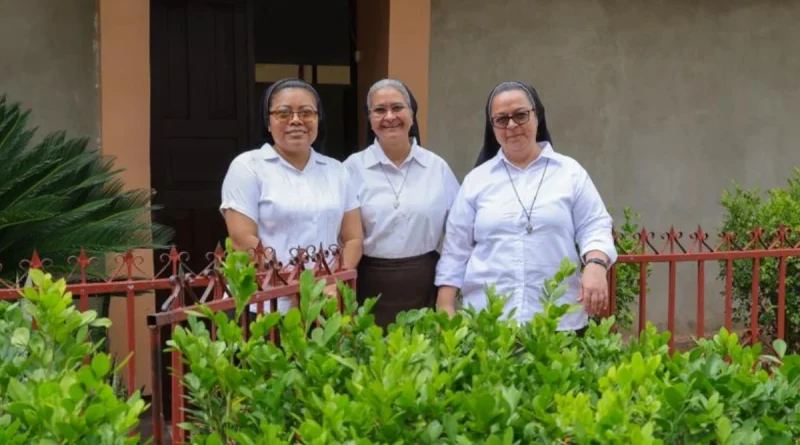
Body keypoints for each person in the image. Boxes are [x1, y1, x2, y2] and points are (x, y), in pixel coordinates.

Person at [435, 81, 617, 333]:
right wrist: (445, 303)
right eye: (501, 119)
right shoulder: (476, 181)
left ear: (537, 117)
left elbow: (595, 224)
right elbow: (455, 249)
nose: (511, 125)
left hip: (557, 320)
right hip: (489, 322)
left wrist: (596, 264)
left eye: (520, 115)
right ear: (493, 127)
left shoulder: (570, 173)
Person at [220, 78, 363, 313]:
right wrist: (296, 288)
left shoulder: (338, 171)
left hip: (324, 303)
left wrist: (333, 283)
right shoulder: (248, 167)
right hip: (263, 306)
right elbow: (241, 238)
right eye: (284, 113)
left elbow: (353, 238)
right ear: (268, 122)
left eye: (306, 112)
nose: (296, 121)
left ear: (318, 119)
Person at [344, 79, 459, 328]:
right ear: (369, 118)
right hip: (368, 285)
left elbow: (458, 235)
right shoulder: (351, 169)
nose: (389, 117)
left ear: (412, 113)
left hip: (425, 284)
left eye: (397, 108)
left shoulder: (436, 168)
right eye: (379, 110)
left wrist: (446, 296)